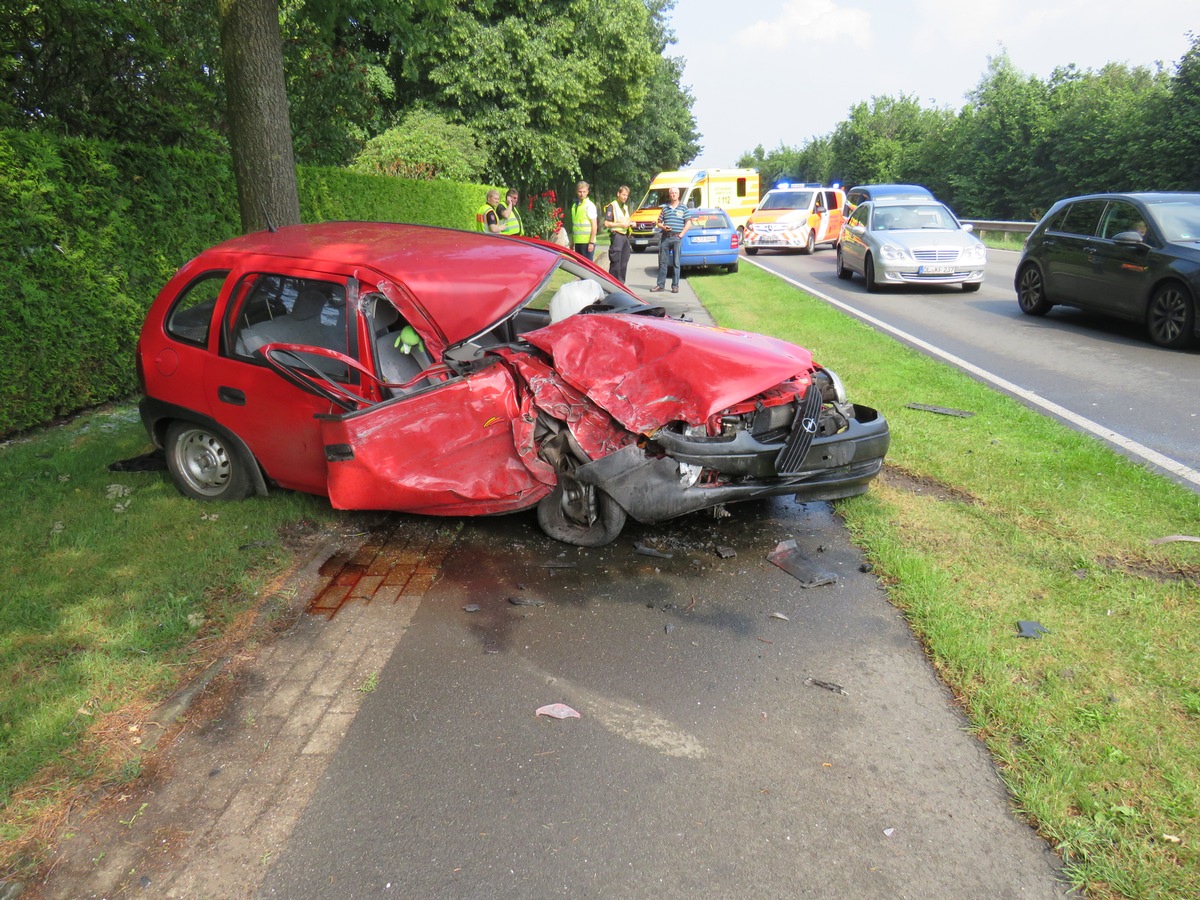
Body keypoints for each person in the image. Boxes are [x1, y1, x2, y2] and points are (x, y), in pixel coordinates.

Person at [651, 186, 691, 293]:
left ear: (678, 194)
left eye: (675, 193)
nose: (673, 194)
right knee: (663, 262)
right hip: (666, 238)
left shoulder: (683, 208)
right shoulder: (665, 208)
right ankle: (660, 285)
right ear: (670, 195)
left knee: (676, 262)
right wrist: (663, 227)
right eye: (672, 193)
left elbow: (688, 223)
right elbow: (658, 222)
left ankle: (675, 285)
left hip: (677, 238)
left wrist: (681, 235)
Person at [604, 185, 633, 282]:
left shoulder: (625, 207)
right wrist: (621, 224)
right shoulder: (612, 206)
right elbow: (606, 223)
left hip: (625, 237)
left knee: (623, 263)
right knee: (616, 263)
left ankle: (621, 285)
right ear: (618, 194)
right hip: (616, 236)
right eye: (623, 194)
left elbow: (626, 221)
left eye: (626, 195)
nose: (625, 197)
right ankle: (612, 284)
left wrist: (631, 223)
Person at [570, 181, 598, 260]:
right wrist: (573, 241)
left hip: (587, 242)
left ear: (587, 192)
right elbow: (575, 226)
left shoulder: (589, 205)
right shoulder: (574, 206)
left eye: (584, 192)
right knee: (579, 268)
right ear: (576, 191)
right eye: (580, 191)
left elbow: (594, 225)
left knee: (588, 269)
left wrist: (591, 242)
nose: (581, 194)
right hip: (578, 242)